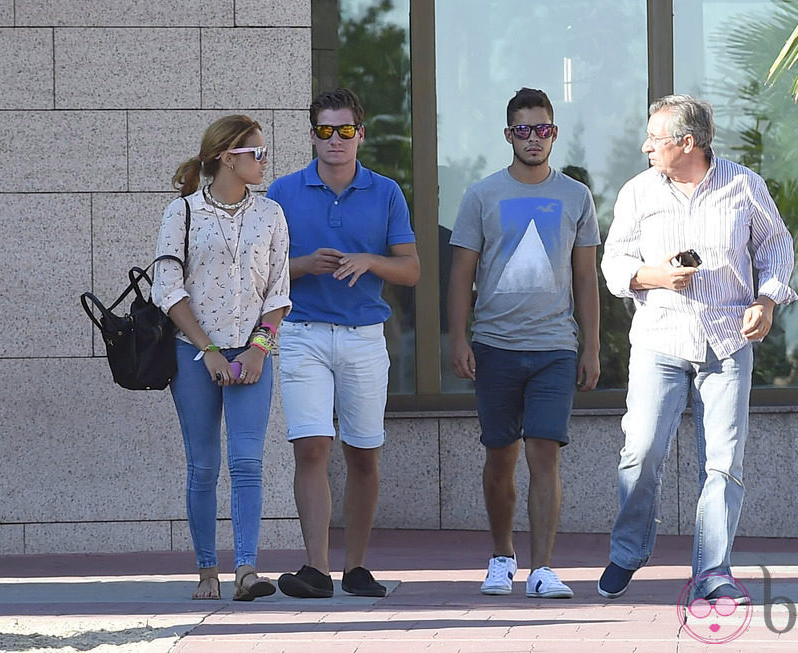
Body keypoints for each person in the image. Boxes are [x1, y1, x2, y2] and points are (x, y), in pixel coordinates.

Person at [598, 94, 798, 604]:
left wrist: (767, 301)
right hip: (660, 340)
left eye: (655, 138)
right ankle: (628, 552)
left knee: (723, 463)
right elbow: (614, 261)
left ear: (687, 143)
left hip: (728, 342)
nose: (645, 146)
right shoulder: (639, 191)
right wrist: (654, 275)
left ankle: (712, 572)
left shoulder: (744, 184)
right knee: (640, 451)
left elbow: (776, 247)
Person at [447, 87, 601, 599]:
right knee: (500, 457)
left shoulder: (576, 195)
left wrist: (593, 347)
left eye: (543, 129)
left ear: (553, 133)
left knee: (544, 454)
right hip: (494, 345)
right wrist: (458, 339)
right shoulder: (481, 195)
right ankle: (500, 556)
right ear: (508, 134)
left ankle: (543, 568)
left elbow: (586, 279)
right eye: (523, 129)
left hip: (556, 346)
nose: (533, 138)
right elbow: (460, 273)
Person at [267, 88, 420, 599]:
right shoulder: (283, 192)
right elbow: (260, 273)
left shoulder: (386, 192)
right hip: (302, 332)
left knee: (363, 453)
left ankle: (356, 567)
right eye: (326, 131)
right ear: (312, 135)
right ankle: (315, 569)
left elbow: (412, 269)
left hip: (363, 337)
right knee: (311, 446)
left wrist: (369, 260)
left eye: (346, 130)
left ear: (362, 134)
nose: (336, 140)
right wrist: (305, 265)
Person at [151, 114, 291, 601]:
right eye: (256, 151)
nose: (264, 159)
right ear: (228, 157)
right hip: (194, 355)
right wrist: (208, 350)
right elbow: (166, 289)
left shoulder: (271, 213)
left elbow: (279, 292)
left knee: (248, 461)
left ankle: (247, 570)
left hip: (253, 353)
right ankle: (207, 569)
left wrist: (259, 349)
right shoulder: (181, 213)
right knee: (203, 465)